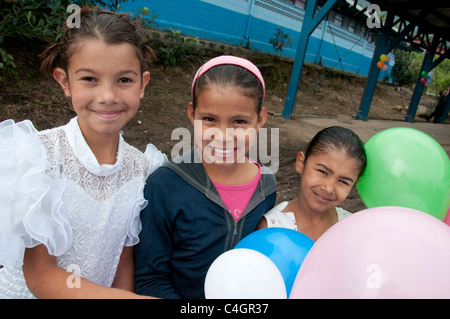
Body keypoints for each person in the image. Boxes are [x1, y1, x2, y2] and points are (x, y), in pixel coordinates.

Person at [0, 8, 167, 298]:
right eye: (90, 79)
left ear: (143, 84)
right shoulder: (39, 159)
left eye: (124, 80)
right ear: (64, 82)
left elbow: (123, 260)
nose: (108, 96)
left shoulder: (143, 168)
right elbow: (40, 274)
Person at [134, 55, 277, 299]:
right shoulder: (164, 186)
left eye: (239, 121)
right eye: (209, 119)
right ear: (192, 113)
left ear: (260, 119)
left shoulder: (266, 185)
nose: (223, 136)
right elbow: (149, 278)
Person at [257, 126, 367, 241]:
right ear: (301, 163)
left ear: (354, 184)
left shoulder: (351, 226)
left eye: (343, 181)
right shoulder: (271, 228)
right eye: (323, 172)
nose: (329, 188)